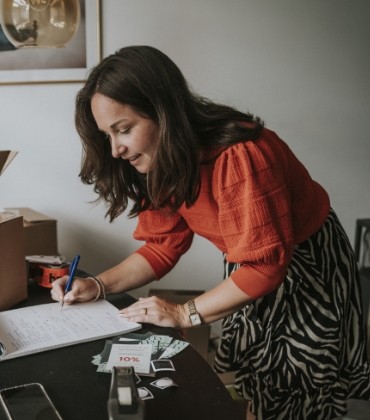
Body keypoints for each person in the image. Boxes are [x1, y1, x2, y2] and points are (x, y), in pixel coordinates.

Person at [51, 45, 370, 420]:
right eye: (108, 135)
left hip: (307, 266)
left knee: (297, 389)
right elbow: (161, 247)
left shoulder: (240, 155)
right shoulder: (163, 160)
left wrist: (183, 313)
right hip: (252, 265)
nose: (116, 149)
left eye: (124, 130)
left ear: (164, 113)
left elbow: (266, 266)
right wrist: (98, 285)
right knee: (260, 378)